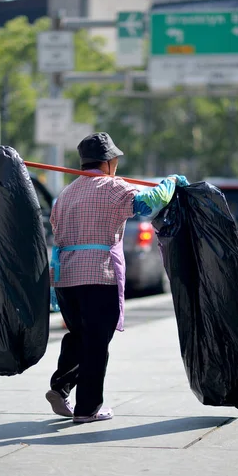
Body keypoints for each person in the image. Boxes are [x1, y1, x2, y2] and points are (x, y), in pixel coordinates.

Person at [45, 132, 188, 424]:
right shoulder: (112, 187)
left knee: (79, 335)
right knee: (97, 342)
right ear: (109, 162)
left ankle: (60, 386)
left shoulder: (66, 194)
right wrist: (170, 183)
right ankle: (87, 409)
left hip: (65, 276)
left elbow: (55, 231)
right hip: (99, 274)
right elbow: (148, 204)